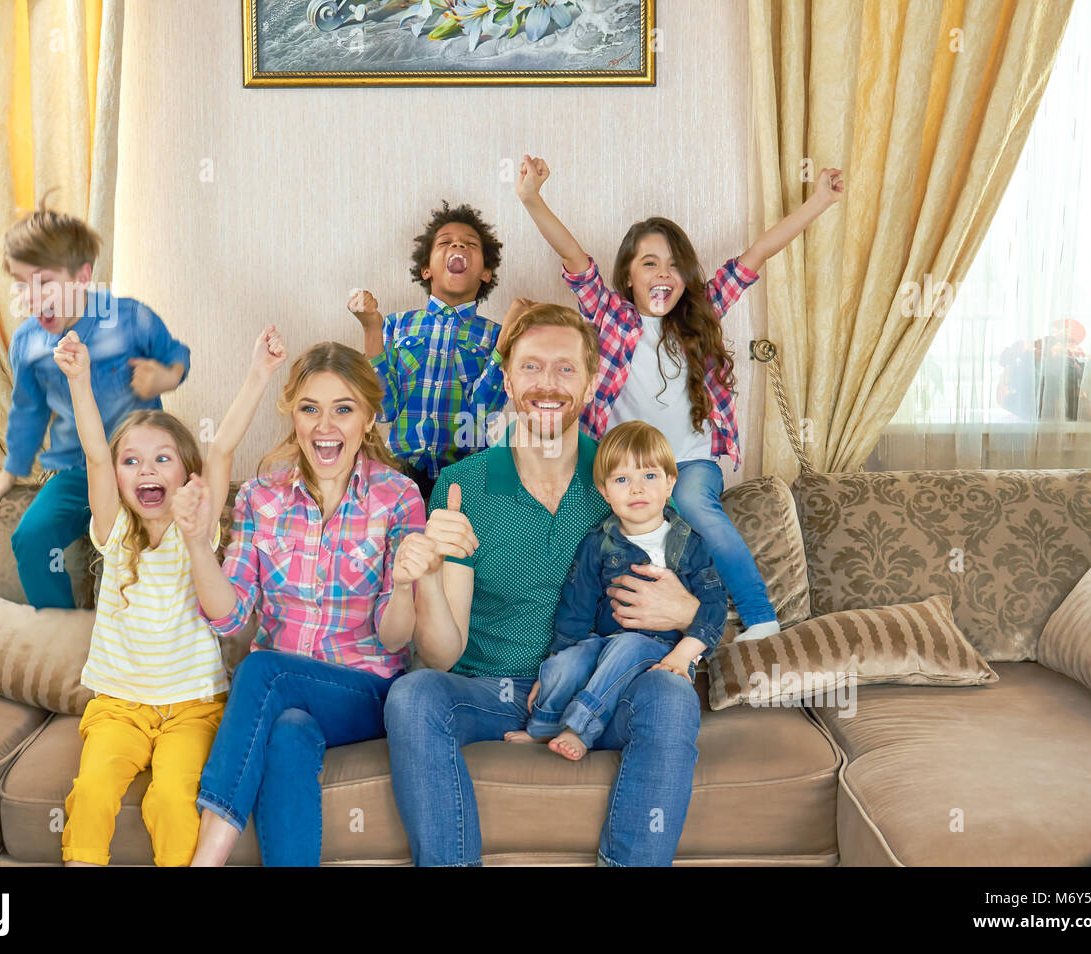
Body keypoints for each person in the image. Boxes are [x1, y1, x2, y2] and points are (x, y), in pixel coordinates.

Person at [384, 303, 709, 867]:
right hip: (493, 692)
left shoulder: (626, 476)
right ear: (507, 378)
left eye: (565, 369)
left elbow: (695, 595)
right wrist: (431, 577)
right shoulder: (465, 487)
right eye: (532, 368)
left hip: (597, 693)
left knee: (672, 695)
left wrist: (685, 610)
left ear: (590, 381)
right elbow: (441, 654)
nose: (548, 384)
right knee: (412, 693)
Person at [516, 155, 844, 640]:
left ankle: (759, 617)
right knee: (575, 515)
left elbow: (757, 254)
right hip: (623, 466)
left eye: (674, 265)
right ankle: (565, 633)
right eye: (649, 263)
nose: (663, 273)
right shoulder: (611, 318)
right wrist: (531, 197)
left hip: (689, 462)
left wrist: (820, 201)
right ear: (628, 275)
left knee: (694, 504)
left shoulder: (702, 314)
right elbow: (574, 258)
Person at [179, 342, 425, 867]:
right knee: (288, 733)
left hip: (365, 691)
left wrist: (404, 584)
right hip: (282, 696)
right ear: (293, 415)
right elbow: (230, 616)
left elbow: (395, 638)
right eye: (310, 408)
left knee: (264, 670)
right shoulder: (259, 498)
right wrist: (200, 545)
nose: (324, 425)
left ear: (369, 418)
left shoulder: (399, 497)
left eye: (343, 408)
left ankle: (205, 863)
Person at [54, 325, 287, 866]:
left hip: (193, 710)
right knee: (90, 793)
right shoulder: (113, 532)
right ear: (117, 477)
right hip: (118, 708)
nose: (146, 469)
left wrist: (258, 374)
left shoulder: (197, 533)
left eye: (162, 459)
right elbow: (93, 453)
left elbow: (222, 447)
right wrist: (80, 380)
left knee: (173, 802)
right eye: (131, 461)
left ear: (187, 474)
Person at [0, 204, 192, 609]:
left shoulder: (130, 319)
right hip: (76, 473)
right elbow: (28, 412)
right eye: (21, 285)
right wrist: (10, 471)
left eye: (44, 282)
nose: (31, 297)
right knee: (32, 537)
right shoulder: (27, 344)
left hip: (140, 469)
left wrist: (164, 376)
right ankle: (62, 636)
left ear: (82, 277)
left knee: (153, 550)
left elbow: (178, 356)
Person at [504, 420, 729, 761]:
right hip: (603, 644)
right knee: (567, 663)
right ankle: (544, 727)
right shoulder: (598, 542)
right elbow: (575, 607)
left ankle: (579, 728)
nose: (636, 489)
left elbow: (713, 607)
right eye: (622, 480)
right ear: (605, 492)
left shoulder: (690, 544)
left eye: (649, 476)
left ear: (670, 483)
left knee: (627, 646)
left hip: (661, 650)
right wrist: (557, 661)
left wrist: (683, 656)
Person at [349, 200, 532, 500]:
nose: (457, 244)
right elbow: (384, 410)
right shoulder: (395, 326)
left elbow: (483, 410)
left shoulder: (495, 335)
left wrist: (507, 339)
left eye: (469, 243)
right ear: (426, 269)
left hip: (469, 476)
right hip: (401, 476)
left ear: (486, 272)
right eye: (445, 242)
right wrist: (371, 329)